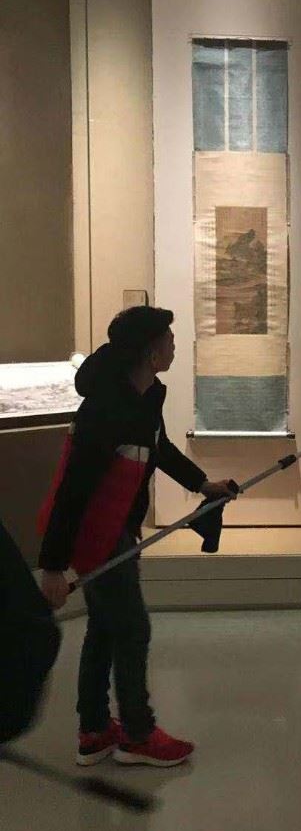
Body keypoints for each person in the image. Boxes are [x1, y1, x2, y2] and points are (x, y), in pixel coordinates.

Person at [38, 306, 237, 766]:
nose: (174, 344)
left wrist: (202, 484)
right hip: (97, 532)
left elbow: (158, 449)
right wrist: (52, 566)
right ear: (150, 352)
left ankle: (94, 730)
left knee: (105, 627)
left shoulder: (144, 397)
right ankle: (137, 734)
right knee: (132, 628)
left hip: (116, 526)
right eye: (168, 337)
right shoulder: (107, 409)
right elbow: (72, 489)